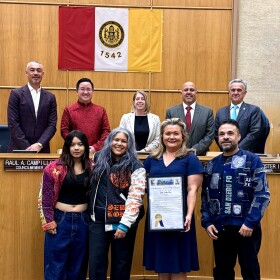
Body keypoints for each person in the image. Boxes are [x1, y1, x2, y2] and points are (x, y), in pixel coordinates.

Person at [201, 119, 270, 280]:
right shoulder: (211, 165)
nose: (225, 137)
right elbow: (205, 196)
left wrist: (250, 222)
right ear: (217, 138)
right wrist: (207, 222)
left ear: (239, 137)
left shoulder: (252, 160)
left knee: (250, 271)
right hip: (220, 228)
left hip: (246, 228)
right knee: (222, 272)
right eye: (221, 134)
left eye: (230, 133)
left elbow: (262, 195)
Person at [143, 118, 204, 280]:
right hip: (158, 219)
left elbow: (193, 190)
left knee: (178, 266)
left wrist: (189, 215)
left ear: (183, 136)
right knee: (161, 265)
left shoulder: (190, 159)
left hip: (180, 218)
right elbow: (142, 184)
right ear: (162, 136)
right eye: (167, 133)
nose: (171, 137)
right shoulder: (152, 159)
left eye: (176, 133)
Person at [88, 127, 146, 280]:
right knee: (96, 265)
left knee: (121, 266)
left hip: (122, 222)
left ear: (129, 144)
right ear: (110, 141)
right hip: (98, 221)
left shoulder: (136, 166)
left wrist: (124, 224)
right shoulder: (97, 158)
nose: (119, 143)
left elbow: (135, 198)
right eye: (116, 139)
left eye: (124, 141)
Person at [38, 130, 92, 279]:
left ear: (85, 147)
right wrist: (49, 221)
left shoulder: (92, 167)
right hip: (60, 221)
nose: (76, 148)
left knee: (78, 266)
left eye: (80, 144)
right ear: (67, 146)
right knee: (55, 266)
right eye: (72, 144)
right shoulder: (53, 168)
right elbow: (45, 199)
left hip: (84, 222)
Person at [7, 61, 57, 153]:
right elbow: (13, 123)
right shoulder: (16, 94)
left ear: (42, 74)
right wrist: (28, 148)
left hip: (42, 149)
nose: (35, 73)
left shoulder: (50, 97)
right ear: (26, 72)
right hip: (18, 149)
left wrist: (39, 144)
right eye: (32, 70)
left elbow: (52, 125)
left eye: (38, 70)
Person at [215, 78, 270, 153]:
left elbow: (255, 133)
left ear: (245, 93)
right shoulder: (220, 112)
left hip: (247, 153)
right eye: (233, 90)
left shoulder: (254, 110)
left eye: (239, 90)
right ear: (229, 92)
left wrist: (237, 150)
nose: (235, 92)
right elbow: (216, 133)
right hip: (226, 153)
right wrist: (227, 148)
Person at [61, 77, 110, 153]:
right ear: (77, 91)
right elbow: (64, 131)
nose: (86, 92)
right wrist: (76, 145)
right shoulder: (68, 110)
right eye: (82, 89)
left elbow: (106, 132)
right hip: (74, 152)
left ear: (92, 91)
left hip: (96, 153)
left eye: (88, 89)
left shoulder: (101, 110)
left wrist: (96, 147)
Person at [165, 81, 214, 156]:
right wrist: (181, 151)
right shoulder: (171, 112)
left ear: (196, 93)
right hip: (176, 155)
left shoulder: (207, 112)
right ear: (181, 93)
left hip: (200, 156)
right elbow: (167, 134)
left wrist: (193, 150)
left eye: (192, 90)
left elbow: (209, 136)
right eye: (186, 90)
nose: (189, 92)